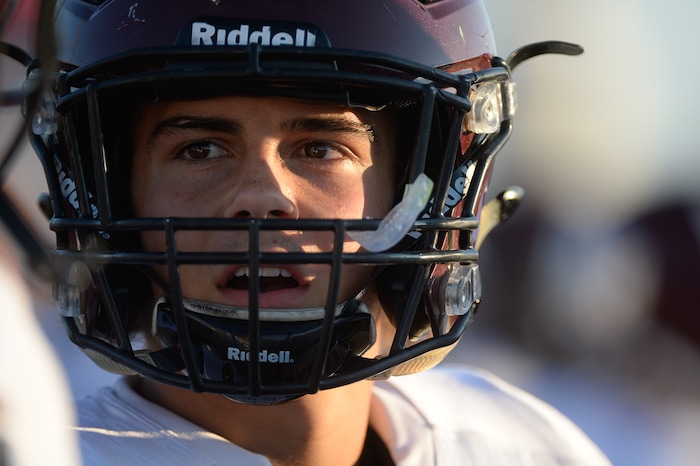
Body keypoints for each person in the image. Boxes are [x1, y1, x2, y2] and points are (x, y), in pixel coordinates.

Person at [25, 0, 610, 464]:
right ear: (110, 188)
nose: (261, 198)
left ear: (420, 187)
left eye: (321, 147)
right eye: (199, 149)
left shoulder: (523, 449)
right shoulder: (41, 453)